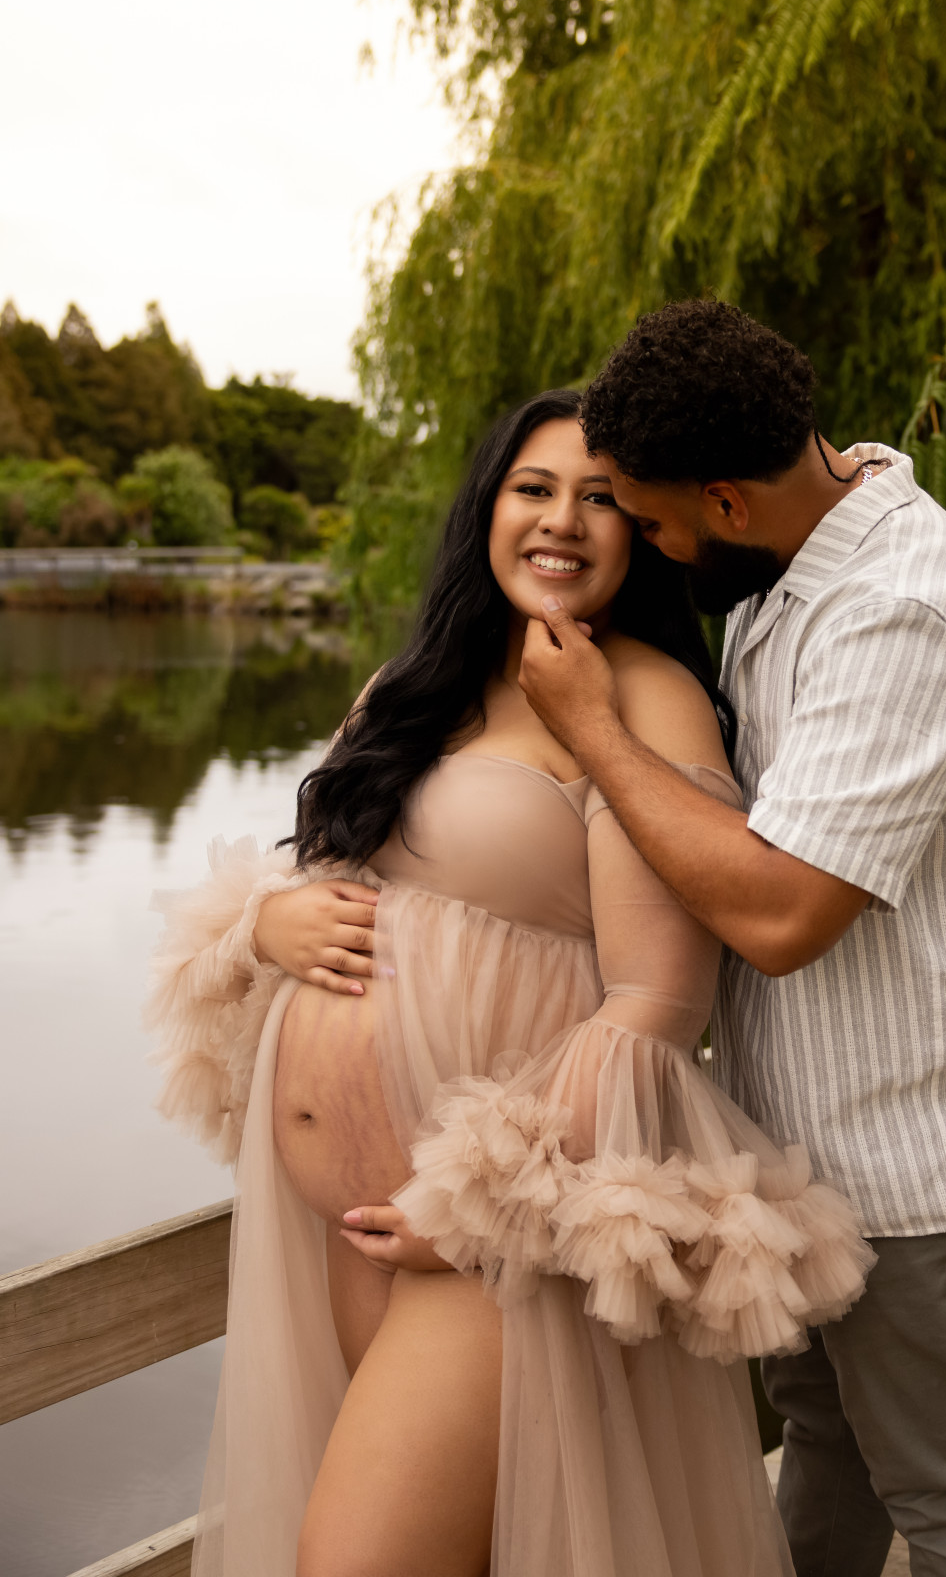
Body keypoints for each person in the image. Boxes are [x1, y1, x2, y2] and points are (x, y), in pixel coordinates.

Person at [147, 388, 873, 1577]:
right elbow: (328, 876)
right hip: (342, 1226)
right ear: (486, 507)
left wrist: (472, 1212)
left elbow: (654, 1008)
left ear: (640, 529)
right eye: (533, 489)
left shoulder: (642, 693)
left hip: (488, 1239)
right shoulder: (409, 685)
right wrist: (267, 923)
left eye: (599, 500)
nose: (562, 522)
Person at [518, 304, 946, 1577]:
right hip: (816, 1152)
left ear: (723, 500)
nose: (645, 546)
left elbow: (779, 915)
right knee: (826, 1442)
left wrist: (595, 732)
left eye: (649, 519)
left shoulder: (899, 611)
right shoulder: (795, 557)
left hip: (923, 1158)